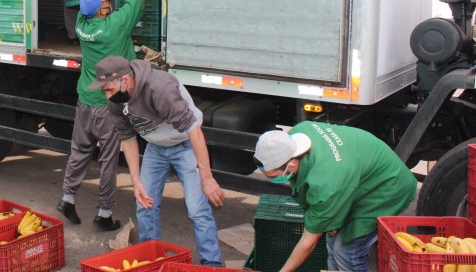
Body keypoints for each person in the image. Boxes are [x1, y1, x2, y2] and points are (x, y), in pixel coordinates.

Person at [57, 0, 162, 231]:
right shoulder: (116, 24)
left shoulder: (81, 22)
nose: (108, 0)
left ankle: (68, 197)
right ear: (103, 9)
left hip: (85, 100)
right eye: (105, 0)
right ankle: (104, 213)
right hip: (108, 105)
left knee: (80, 150)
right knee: (108, 158)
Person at [90, 55, 225, 266]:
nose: (107, 96)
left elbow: (194, 131)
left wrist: (206, 177)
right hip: (155, 148)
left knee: (197, 210)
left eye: (109, 89)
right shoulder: (116, 100)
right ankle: (150, 263)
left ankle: (213, 266)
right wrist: (136, 182)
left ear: (124, 80)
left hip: (185, 145)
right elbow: (127, 138)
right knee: (145, 205)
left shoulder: (159, 89)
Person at [253, 122, 418, 272]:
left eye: (273, 177)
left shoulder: (326, 183)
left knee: (346, 252)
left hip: (387, 187)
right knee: (331, 243)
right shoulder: (296, 134)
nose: (272, 180)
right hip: (356, 177)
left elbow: (308, 243)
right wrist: (328, 218)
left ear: (292, 164)